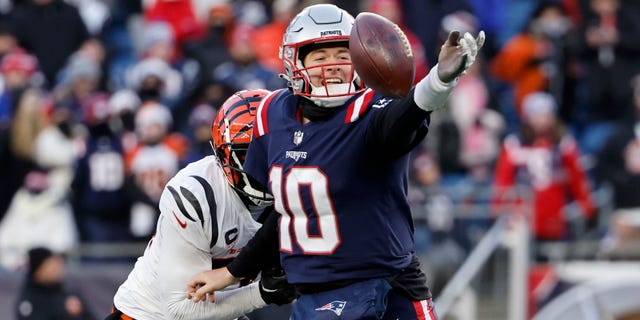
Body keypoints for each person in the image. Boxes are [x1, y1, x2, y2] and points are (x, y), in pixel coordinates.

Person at [187, 4, 484, 319]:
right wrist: (233, 272)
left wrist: (439, 80)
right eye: (319, 57)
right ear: (294, 62)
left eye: (343, 56)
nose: (333, 65)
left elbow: (408, 112)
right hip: (324, 293)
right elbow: (288, 212)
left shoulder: (371, 109)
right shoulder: (273, 114)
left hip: (395, 283)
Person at [105, 89, 296, 320]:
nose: (263, 166)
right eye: (250, 156)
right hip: (150, 314)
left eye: (272, 153)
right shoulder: (197, 194)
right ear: (225, 156)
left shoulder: (300, 183)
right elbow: (181, 311)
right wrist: (262, 293)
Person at [15, 246, 93, 320]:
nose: (58, 269)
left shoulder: (70, 295)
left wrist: (79, 314)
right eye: (51, 265)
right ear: (39, 270)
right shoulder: (28, 302)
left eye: (58, 264)